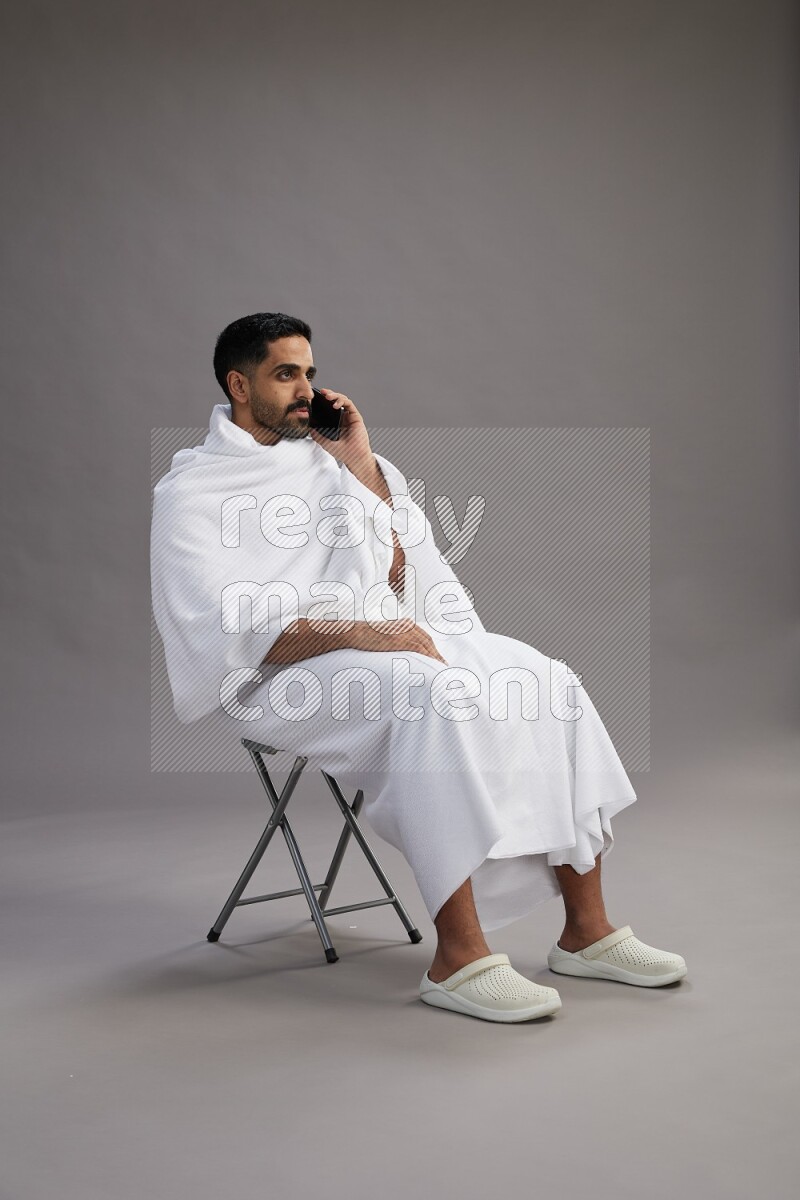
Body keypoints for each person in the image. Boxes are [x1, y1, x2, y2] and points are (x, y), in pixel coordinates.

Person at [150, 311, 687, 1024]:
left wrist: (363, 463)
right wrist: (359, 630)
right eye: (287, 375)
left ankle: (584, 932)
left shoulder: (333, 463)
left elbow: (402, 577)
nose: (307, 389)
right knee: (427, 694)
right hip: (277, 674)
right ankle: (457, 957)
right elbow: (223, 628)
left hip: (380, 638)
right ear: (238, 384)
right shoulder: (193, 492)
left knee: (545, 680)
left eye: (309, 372)